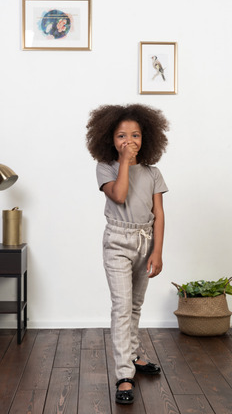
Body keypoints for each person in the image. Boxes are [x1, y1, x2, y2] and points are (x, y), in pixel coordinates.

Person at [86, 104, 169, 405]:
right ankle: (124, 374)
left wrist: (157, 251)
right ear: (110, 139)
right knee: (121, 307)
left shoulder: (153, 173)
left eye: (135, 135)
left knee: (134, 305)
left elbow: (158, 214)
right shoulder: (106, 167)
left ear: (146, 138)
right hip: (118, 242)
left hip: (145, 241)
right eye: (121, 136)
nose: (129, 141)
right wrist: (123, 161)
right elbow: (119, 195)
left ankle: (133, 356)